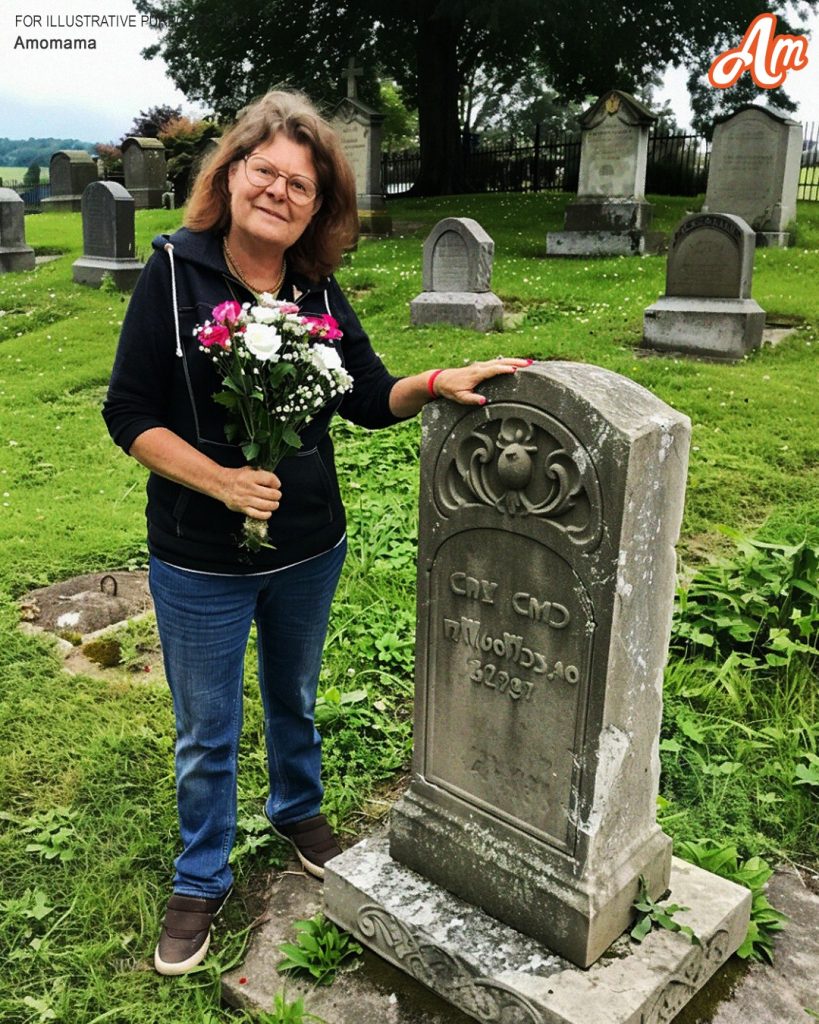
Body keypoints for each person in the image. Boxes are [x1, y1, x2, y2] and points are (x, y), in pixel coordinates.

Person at [102, 89, 529, 977]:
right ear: (232, 174)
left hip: (309, 546)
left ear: (318, 206)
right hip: (199, 557)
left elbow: (367, 396)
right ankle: (202, 873)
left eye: (303, 185)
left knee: (293, 698)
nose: (282, 193)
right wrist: (218, 480)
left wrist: (439, 378)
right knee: (206, 730)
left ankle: (298, 811)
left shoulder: (313, 287)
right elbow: (128, 413)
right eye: (267, 171)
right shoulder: (174, 274)